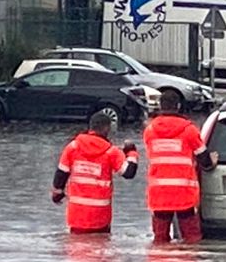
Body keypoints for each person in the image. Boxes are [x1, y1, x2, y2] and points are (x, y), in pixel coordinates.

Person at [141, 94, 216, 244]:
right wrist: (212, 161)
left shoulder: (149, 131)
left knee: (160, 240)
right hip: (184, 193)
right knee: (191, 239)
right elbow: (205, 161)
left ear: (160, 106)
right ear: (178, 106)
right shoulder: (189, 130)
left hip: (159, 193)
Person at [52, 108, 138, 234]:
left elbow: (61, 174)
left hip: (76, 214)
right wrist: (132, 153)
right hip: (101, 215)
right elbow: (129, 173)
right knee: (99, 249)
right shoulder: (111, 152)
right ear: (107, 129)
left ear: (90, 127)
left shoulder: (73, 147)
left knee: (76, 249)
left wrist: (57, 194)